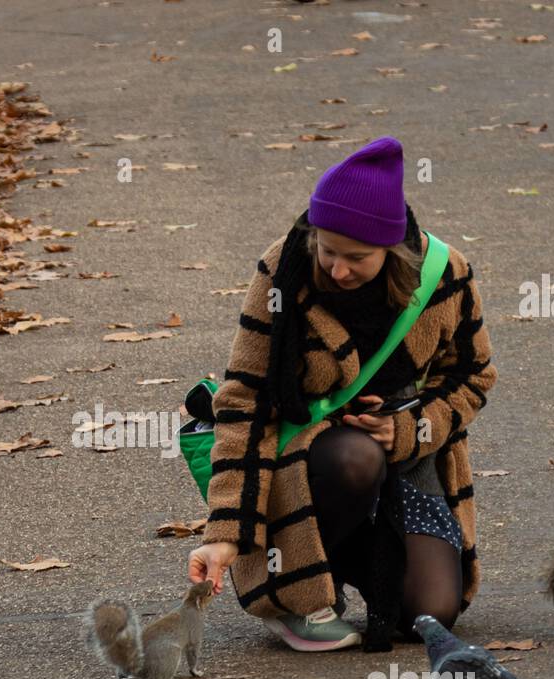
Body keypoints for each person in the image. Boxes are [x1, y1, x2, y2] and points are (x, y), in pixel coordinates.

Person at [186, 136, 496, 652]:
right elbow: (246, 399)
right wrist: (224, 534)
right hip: (311, 455)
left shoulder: (445, 275)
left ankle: (362, 555)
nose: (337, 269)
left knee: (429, 615)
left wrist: (409, 429)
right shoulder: (283, 270)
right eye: (327, 250)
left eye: (357, 257)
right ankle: (296, 595)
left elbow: (474, 376)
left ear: (394, 249)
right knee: (356, 456)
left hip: (409, 449)